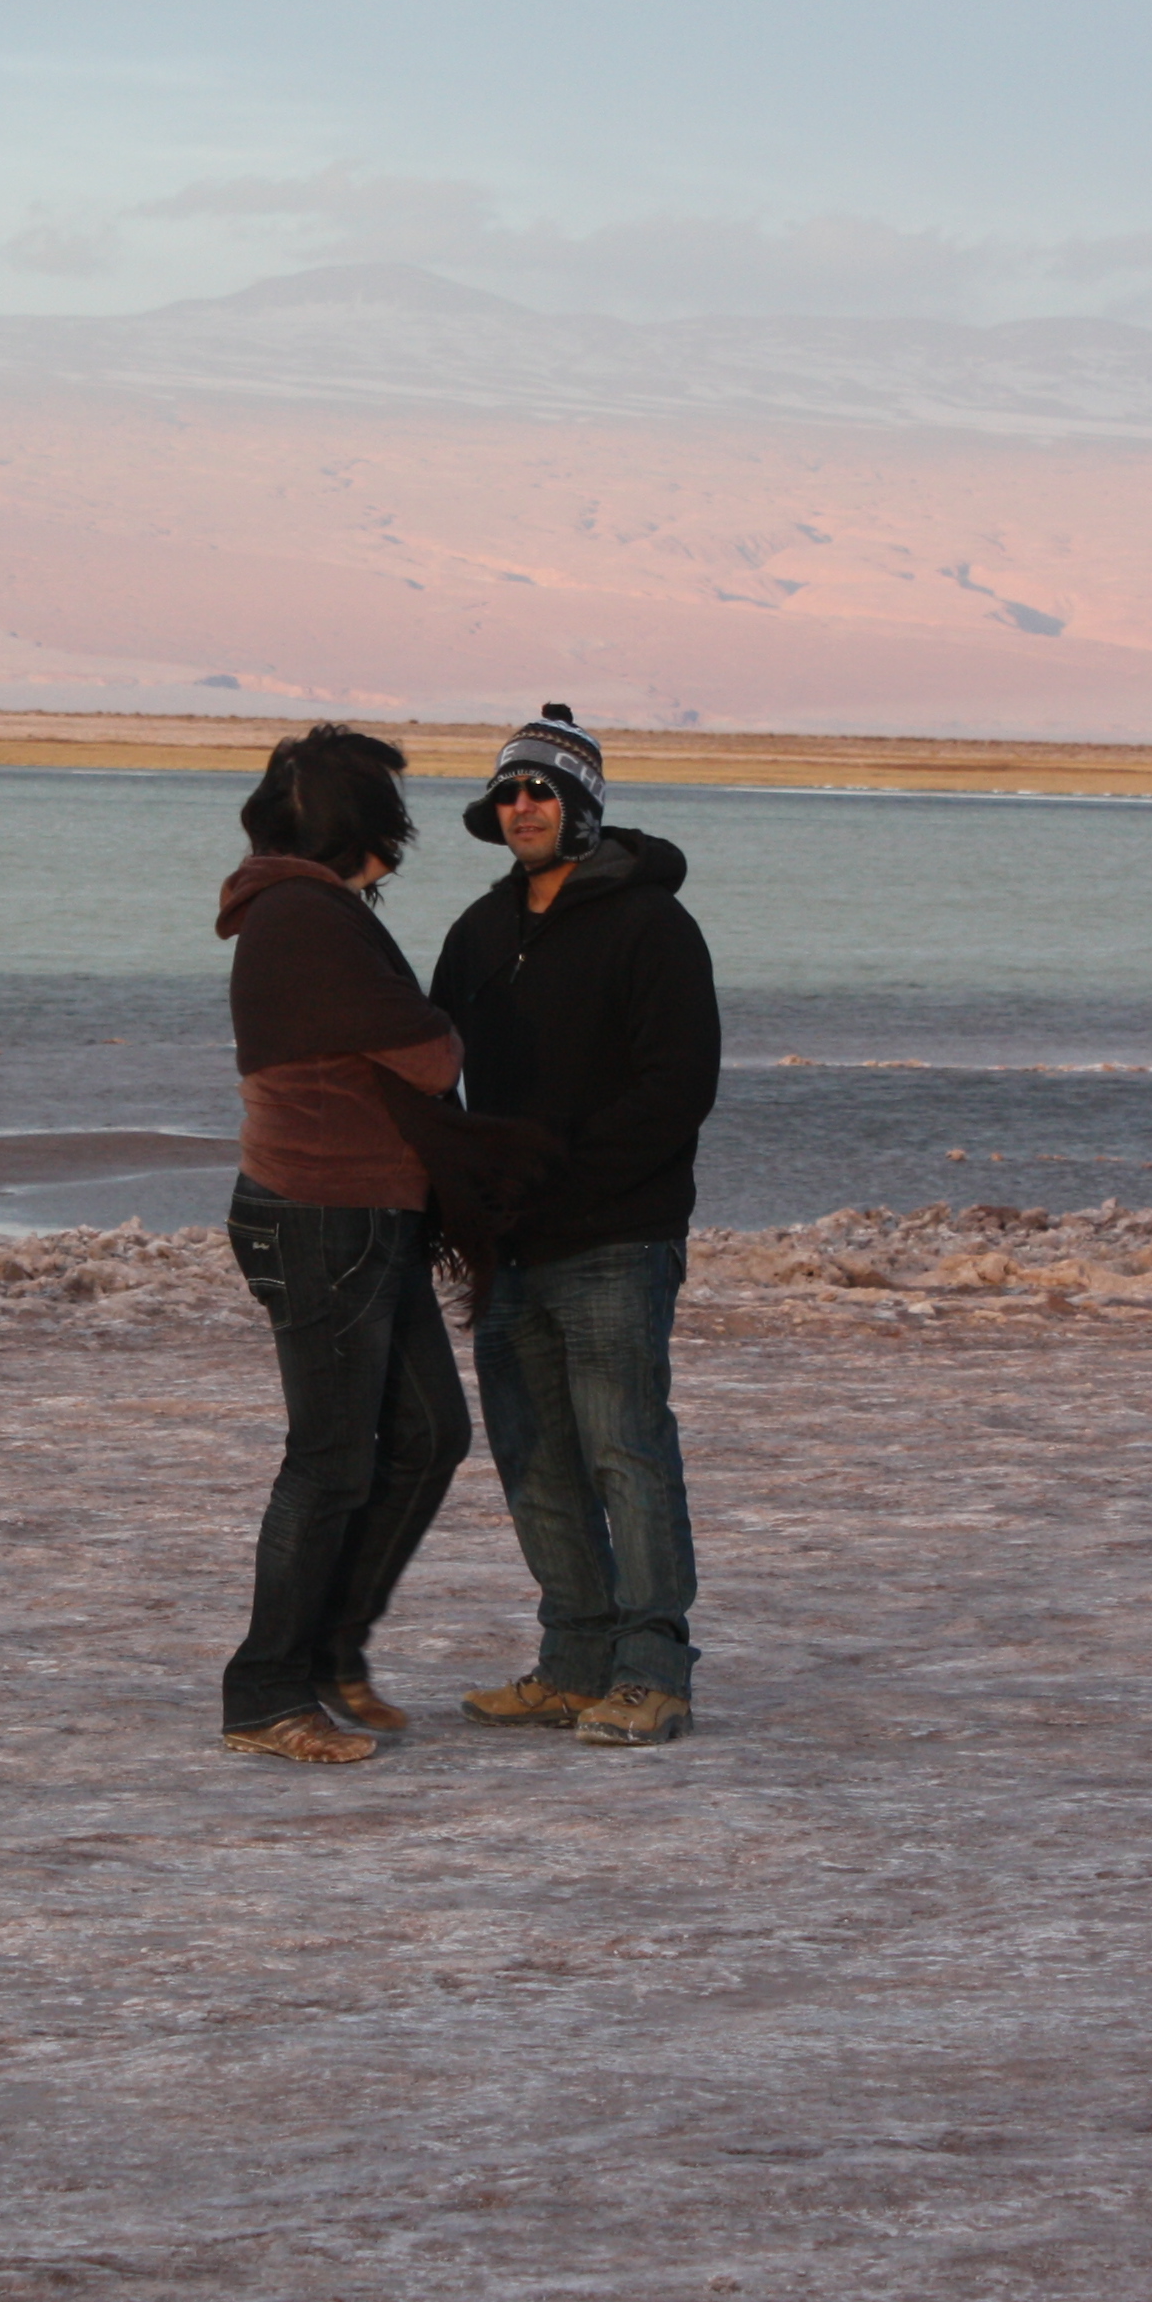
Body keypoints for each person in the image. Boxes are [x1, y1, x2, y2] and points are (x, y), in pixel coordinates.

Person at [427, 704, 721, 1748]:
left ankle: (652, 1667)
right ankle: (573, 1659)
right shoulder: (477, 933)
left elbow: (678, 1088)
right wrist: (457, 1194)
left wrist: (553, 1171)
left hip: (614, 1238)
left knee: (625, 1452)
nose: (521, 807)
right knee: (533, 1457)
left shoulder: (653, 928)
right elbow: (434, 1074)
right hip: (511, 1249)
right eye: (507, 791)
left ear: (583, 803)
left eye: (541, 789)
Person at [213, 724, 472, 1765]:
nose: (397, 855)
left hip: (361, 1216)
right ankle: (266, 1692)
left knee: (427, 1435)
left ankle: (329, 1652)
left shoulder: (300, 911)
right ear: (362, 831)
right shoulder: (307, 919)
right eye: (389, 830)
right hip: (323, 1217)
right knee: (328, 1460)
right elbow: (431, 1052)